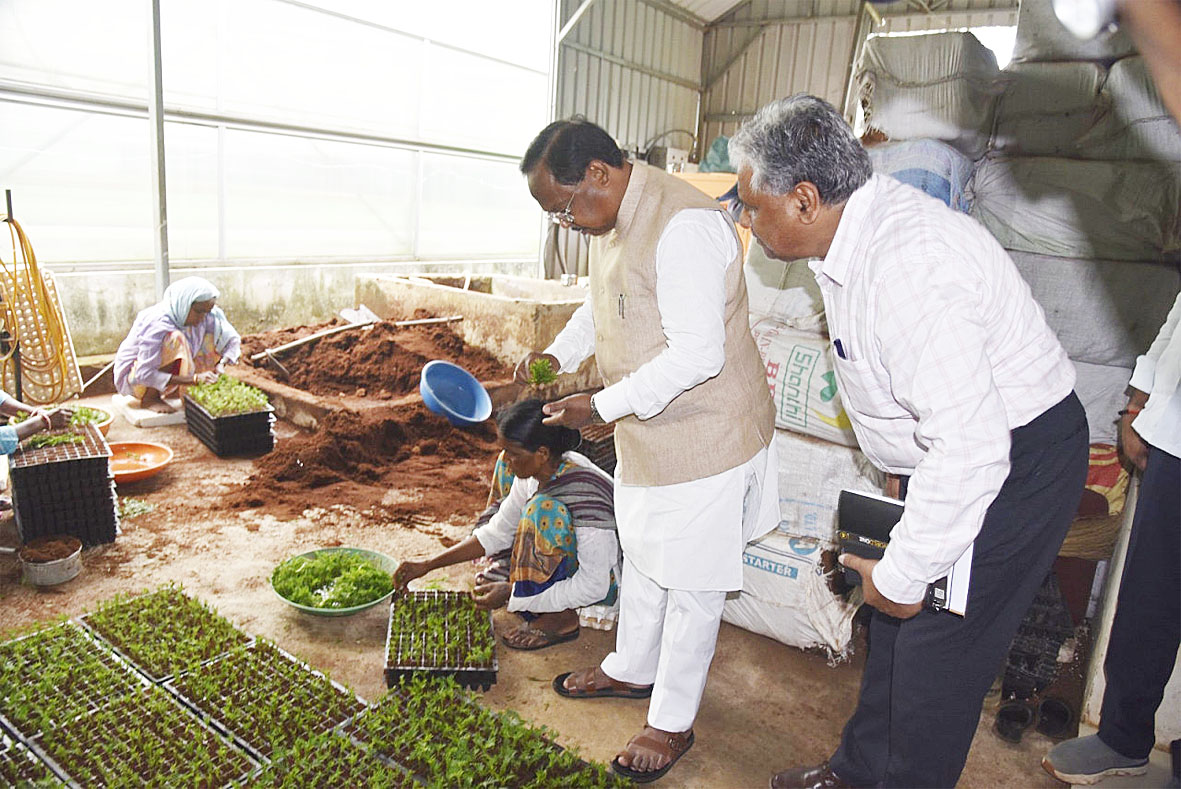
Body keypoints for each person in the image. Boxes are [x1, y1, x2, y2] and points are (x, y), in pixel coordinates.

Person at [729, 94, 1089, 788]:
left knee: (934, 648)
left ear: (804, 199)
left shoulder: (904, 268)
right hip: (955, 449)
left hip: (1014, 460)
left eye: (752, 202)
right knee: (890, 627)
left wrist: (901, 575)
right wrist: (899, 478)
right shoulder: (850, 233)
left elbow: (973, 447)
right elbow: (912, 394)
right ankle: (857, 772)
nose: (746, 216)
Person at [516, 117, 779, 782]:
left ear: (598, 175)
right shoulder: (608, 219)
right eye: (554, 214)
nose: (566, 222)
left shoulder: (682, 224)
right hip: (650, 430)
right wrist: (558, 355)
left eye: (565, 206)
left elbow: (697, 354)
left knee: (691, 582)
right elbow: (600, 304)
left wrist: (597, 405)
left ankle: (671, 720)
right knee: (646, 556)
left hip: (706, 434)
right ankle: (631, 668)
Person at [1042, 2, 1181, 783]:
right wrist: (1139, 402)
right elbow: (1177, 319)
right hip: (1176, 438)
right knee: (1150, 598)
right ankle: (1125, 735)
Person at [393, 398, 620, 650]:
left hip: (602, 584)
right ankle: (529, 589)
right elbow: (497, 534)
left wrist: (513, 595)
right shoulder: (537, 473)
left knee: (541, 510)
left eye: (515, 454)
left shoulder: (583, 492)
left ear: (542, 453)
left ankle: (561, 617)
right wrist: (428, 565)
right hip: (573, 563)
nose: (509, 460)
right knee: (516, 483)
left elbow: (595, 586)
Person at [114, 277, 241, 413]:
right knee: (175, 339)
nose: (203, 317)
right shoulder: (157, 322)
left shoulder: (206, 316)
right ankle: (150, 397)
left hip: (163, 376)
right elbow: (144, 374)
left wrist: (222, 363)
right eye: (198, 311)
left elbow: (231, 341)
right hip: (136, 379)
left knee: (215, 333)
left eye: (206, 312)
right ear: (184, 304)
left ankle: (189, 392)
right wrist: (195, 378)